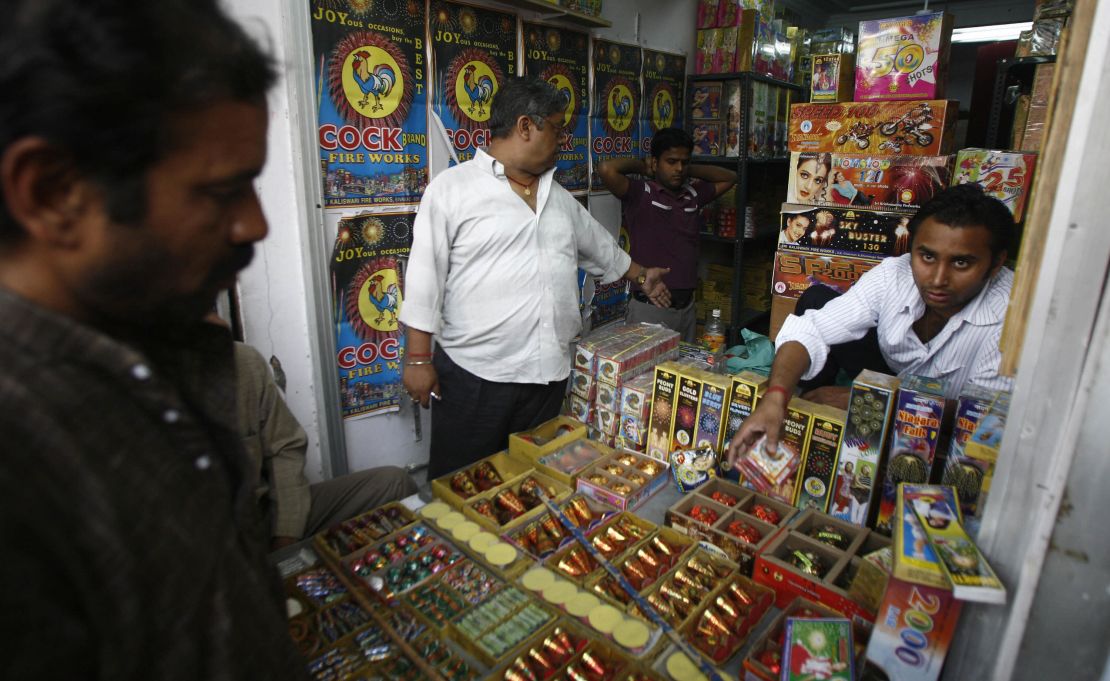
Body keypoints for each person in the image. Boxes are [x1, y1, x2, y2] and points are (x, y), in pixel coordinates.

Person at [0, 1, 311, 677]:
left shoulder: (156, 337)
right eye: (223, 190)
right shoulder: (22, 462)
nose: (256, 225)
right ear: (53, 193)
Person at [400, 77, 671, 481]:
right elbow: (424, 277)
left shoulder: (557, 198)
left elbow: (600, 248)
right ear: (526, 126)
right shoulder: (452, 190)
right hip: (477, 376)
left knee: (532, 481)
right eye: (558, 128)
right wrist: (418, 359)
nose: (564, 139)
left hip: (547, 377)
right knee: (463, 485)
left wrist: (641, 276)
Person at [727, 185, 1015, 466]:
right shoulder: (895, 273)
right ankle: (805, 417)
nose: (938, 278)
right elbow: (810, 328)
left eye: (961, 263)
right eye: (927, 256)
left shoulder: (1012, 316)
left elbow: (983, 414)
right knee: (815, 300)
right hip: (894, 370)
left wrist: (865, 401)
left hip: (941, 416)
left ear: (996, 263)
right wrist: (776, 397)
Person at [232, 337, 417, 551]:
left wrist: (286, 532)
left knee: (395, 484)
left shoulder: (244, 362)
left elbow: (285, 448)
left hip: (260, 517)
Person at [598, 128, 738, 341]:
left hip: (687, 310)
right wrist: (643, 167)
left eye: (684, 162)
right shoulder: (641, 193)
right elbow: (607, 169)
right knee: (647, 373)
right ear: (655, 163)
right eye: (671, 162)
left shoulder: (693, 195)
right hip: (650, 309)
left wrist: (688, 169)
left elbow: (730, 177)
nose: (679, 168)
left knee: (683, 372)